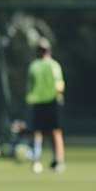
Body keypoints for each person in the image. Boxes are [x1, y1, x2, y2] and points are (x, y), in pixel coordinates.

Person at [26, 39, 65, 173]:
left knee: (52, 131)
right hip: (42, 102)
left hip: (48, 102)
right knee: (39, 132)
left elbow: (58, 83)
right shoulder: (38, 65)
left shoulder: (46, 65)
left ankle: (57, 160)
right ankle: (38, 158)